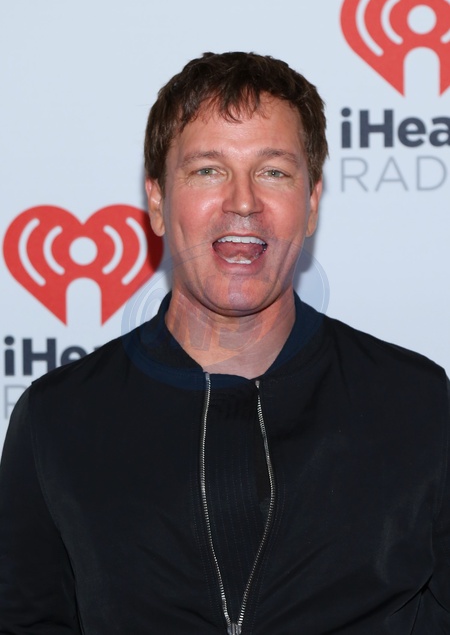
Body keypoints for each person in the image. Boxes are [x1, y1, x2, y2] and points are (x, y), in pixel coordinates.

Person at [0, 52, 449, 635]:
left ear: (312, 203)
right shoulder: (59, 418)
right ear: (157, 202)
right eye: (208, 170)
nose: (242, 201)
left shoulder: (416, 402)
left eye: (274, 172)